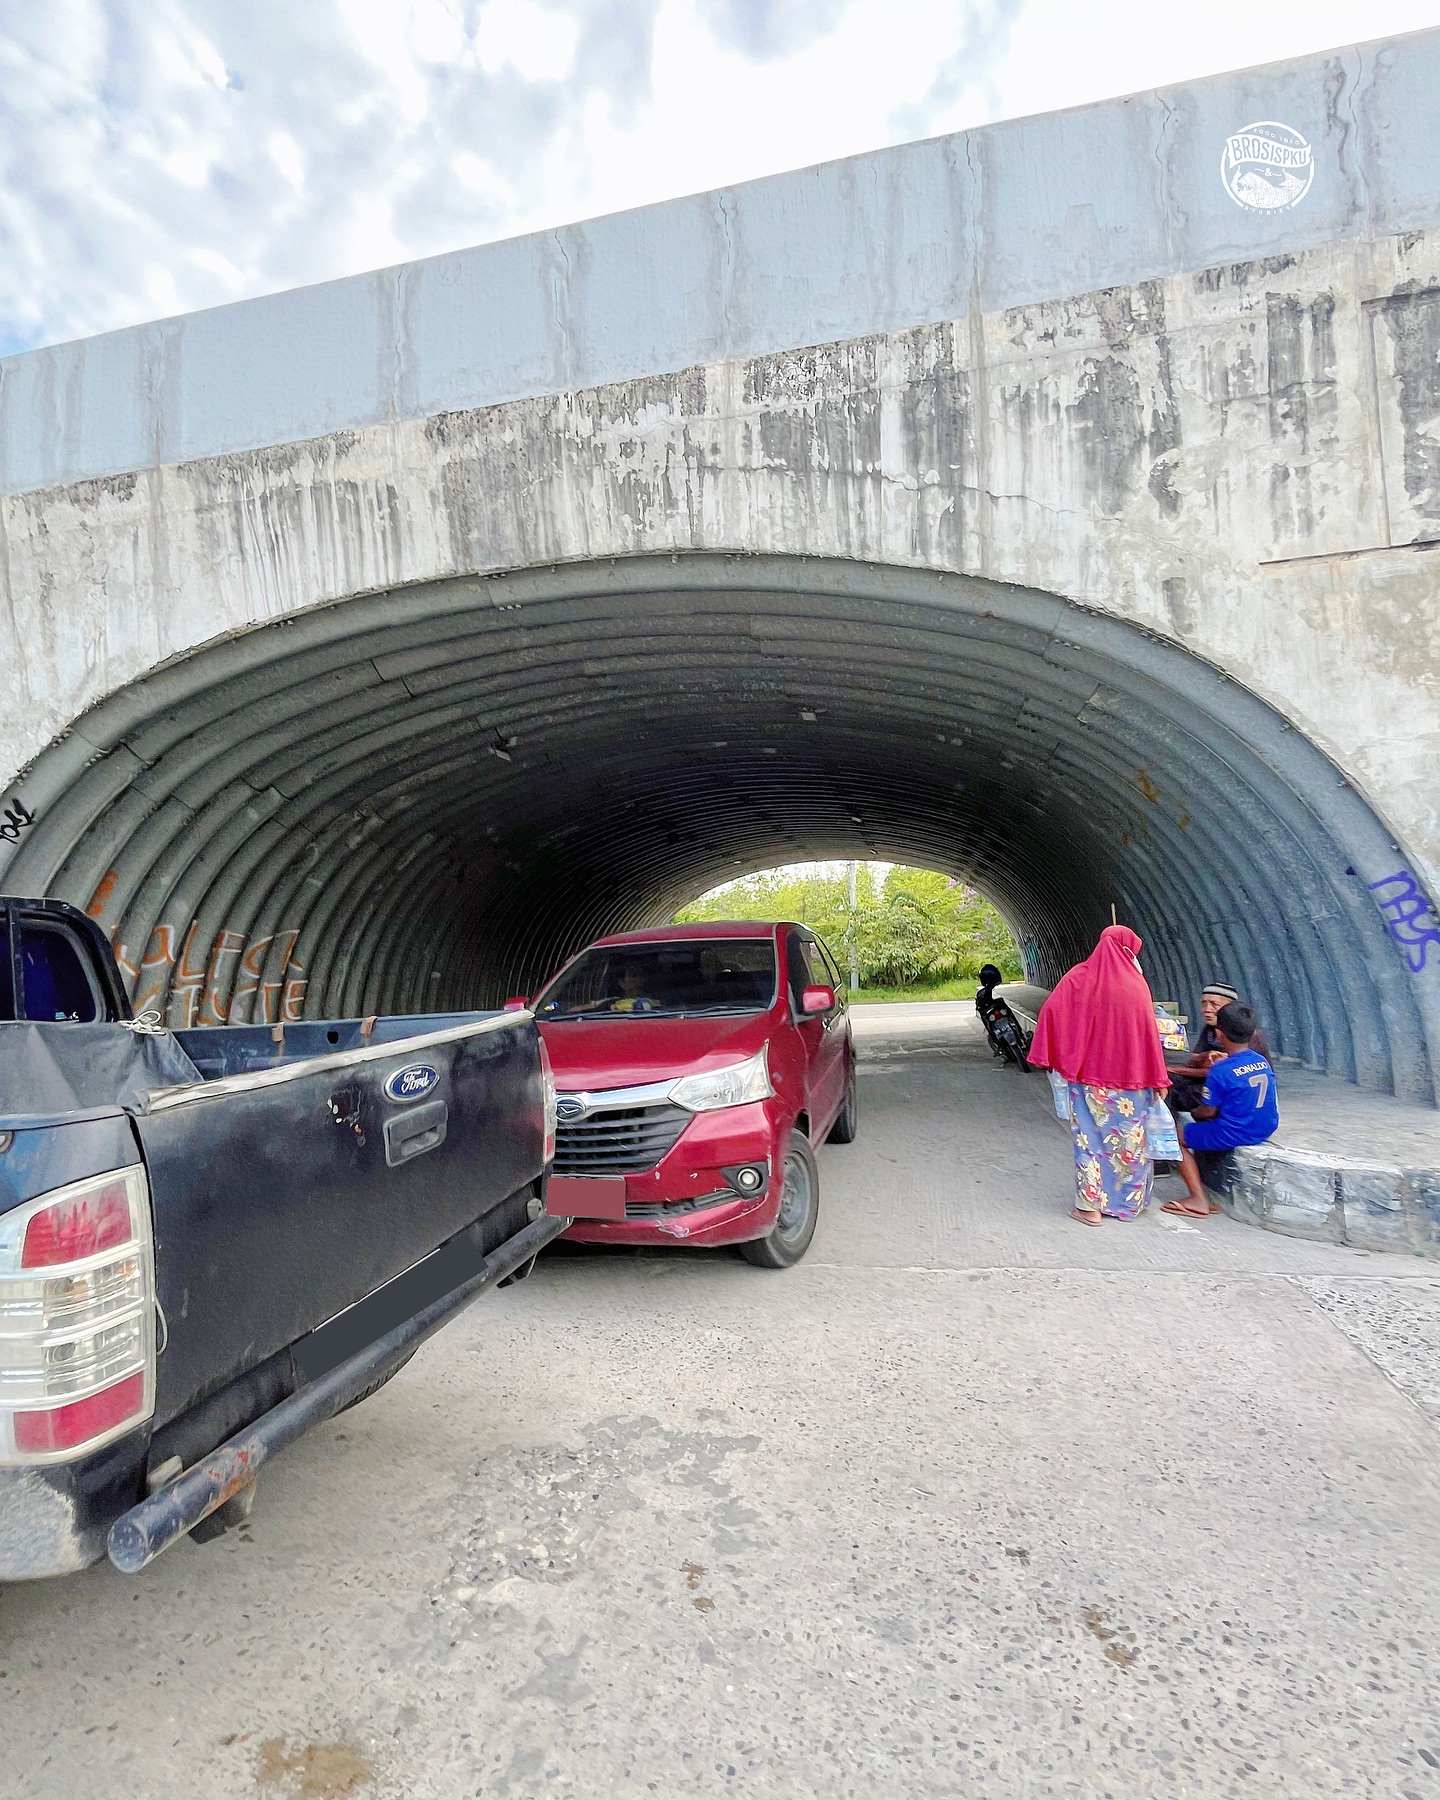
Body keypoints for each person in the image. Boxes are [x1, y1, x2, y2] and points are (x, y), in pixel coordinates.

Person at [1028, 925, 1171, 1227]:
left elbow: (1050, 1012)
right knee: (1129, 1142)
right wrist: (1159, 1079)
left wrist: (1060, 1053)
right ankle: (1127, 1206)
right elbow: (1148, 1037)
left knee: (1089, 1141)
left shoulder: (1079, 978)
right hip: (1132, 1082)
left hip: (1087, 1082)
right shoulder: (1137, 986)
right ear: (1128, 951)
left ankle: (1089, 1208)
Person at [1162, 1002, 1279, 1218]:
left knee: (1173, 1136)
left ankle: (1198, 1199)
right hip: (1265, 1127)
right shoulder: (1261, 1061)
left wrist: (1195, 1113)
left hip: (1236, 1132)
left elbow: (1206, 1112)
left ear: (1219, 1033)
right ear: (1252, 1032)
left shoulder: (1220, 1071)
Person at [1167, 981, 1270, 1112]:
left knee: (1181, 1095)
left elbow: (1221, 1072)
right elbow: (1197, 1060)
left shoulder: (1246, 1033)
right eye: (1203, 1003)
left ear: (1230, 1008)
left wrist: (1171, 1069)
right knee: (1169, 1081)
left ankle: (1177, 1129)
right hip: (1215, 1079)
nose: (1206, 1009)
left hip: (1236, 1088)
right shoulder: (1210, 1029)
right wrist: (1203, 1057)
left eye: (1214, 1004)